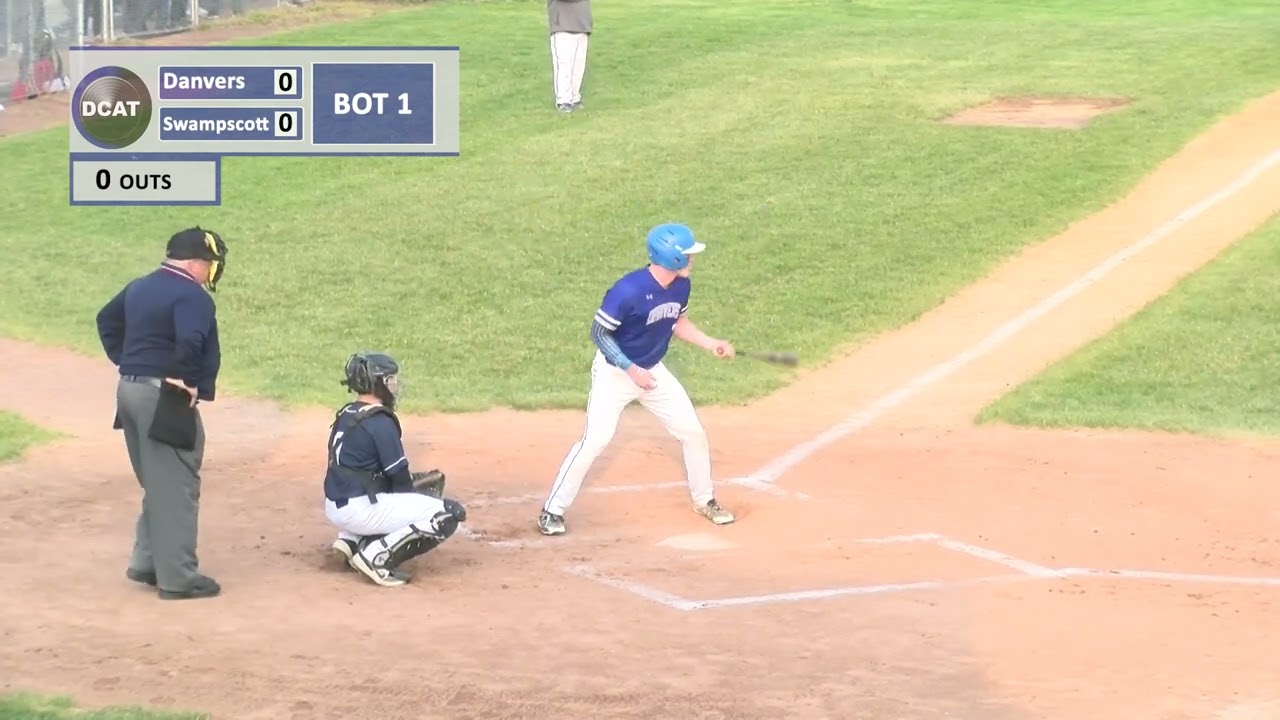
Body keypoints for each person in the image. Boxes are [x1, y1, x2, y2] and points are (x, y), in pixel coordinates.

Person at [537, 223, 737, 536]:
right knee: (595, 440)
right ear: (672, 258)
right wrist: (630, 369)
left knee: (692, 432)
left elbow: (677, 322)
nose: (692, 259)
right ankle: (552, 511)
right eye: (688, 254)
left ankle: (705, 500)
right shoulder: (627, 291)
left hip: (653, 373)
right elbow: (599, 333)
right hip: (615, 374)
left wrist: (711, 343)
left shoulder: (681, 286)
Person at [95, 227, 227, 600]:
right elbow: (191, 340)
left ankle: (147, 560)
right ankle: (178, 578)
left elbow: (106, 320)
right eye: (211, 263)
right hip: (162, 397)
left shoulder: (140, 286)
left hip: (130, 392)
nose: (212, 271)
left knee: (159, 480)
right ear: (195, 262)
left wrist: (130, 361)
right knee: (178, 483)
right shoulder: (192, 296)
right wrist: (184, 378)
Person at [324, 351, 468, 587]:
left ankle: (349, 542)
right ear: (376, 383)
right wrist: (420, 498)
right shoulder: (380, 422)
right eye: (389, 380)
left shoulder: (348, 413)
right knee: (446, 514)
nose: (394, 386)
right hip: (359, 510)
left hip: (337, 504)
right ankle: (374, 558)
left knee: (390, 494)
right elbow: (398, 478)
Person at [547, 0, 591, 112]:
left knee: (578, 67)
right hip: (562, 25)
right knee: (564, 65)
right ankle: (563, 100)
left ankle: (574, 97)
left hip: (582, 26)